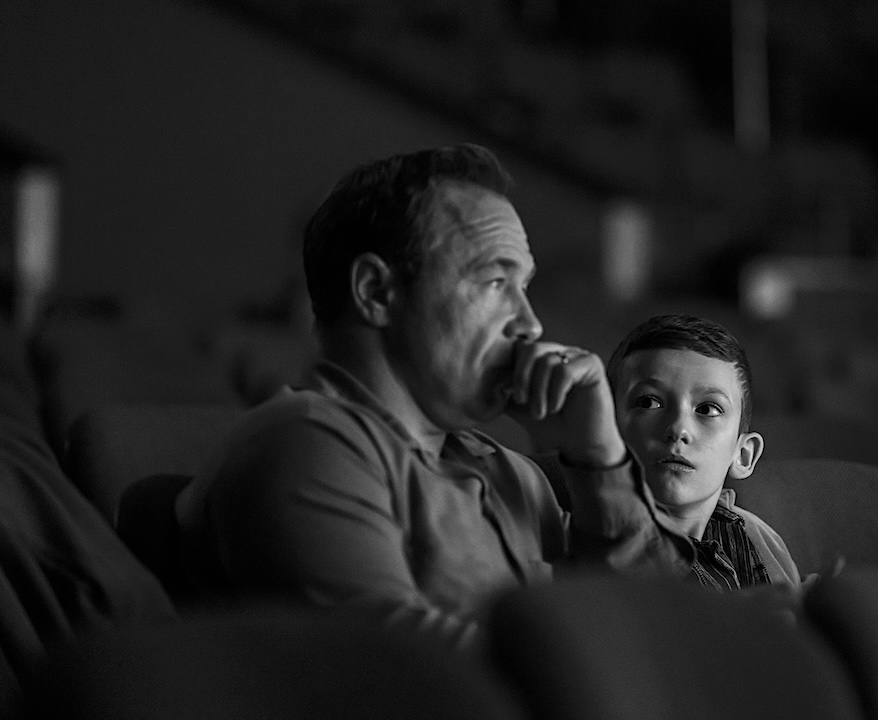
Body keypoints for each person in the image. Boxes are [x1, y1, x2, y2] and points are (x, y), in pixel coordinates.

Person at [175, 144, 694, 652]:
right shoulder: (302, 447)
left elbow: (665, 627)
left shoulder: (511, 473)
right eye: (495, 280)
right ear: (376, 292)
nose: (530, 323)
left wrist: (599, 460)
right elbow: (420, 677)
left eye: (525, 286)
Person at [606, 313, 802, 591]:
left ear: (743, 455)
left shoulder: (759, 540)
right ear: (608, 429)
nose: (678, 429)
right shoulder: (588, 542)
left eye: (708, 409)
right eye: (649, 402)